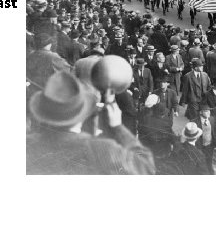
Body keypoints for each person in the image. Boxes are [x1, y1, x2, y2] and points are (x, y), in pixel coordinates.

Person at [26, 71, 155, 174]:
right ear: (83, 114)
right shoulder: (101, 148)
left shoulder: (28, 144)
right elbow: (146, 167)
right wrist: (118, 127)